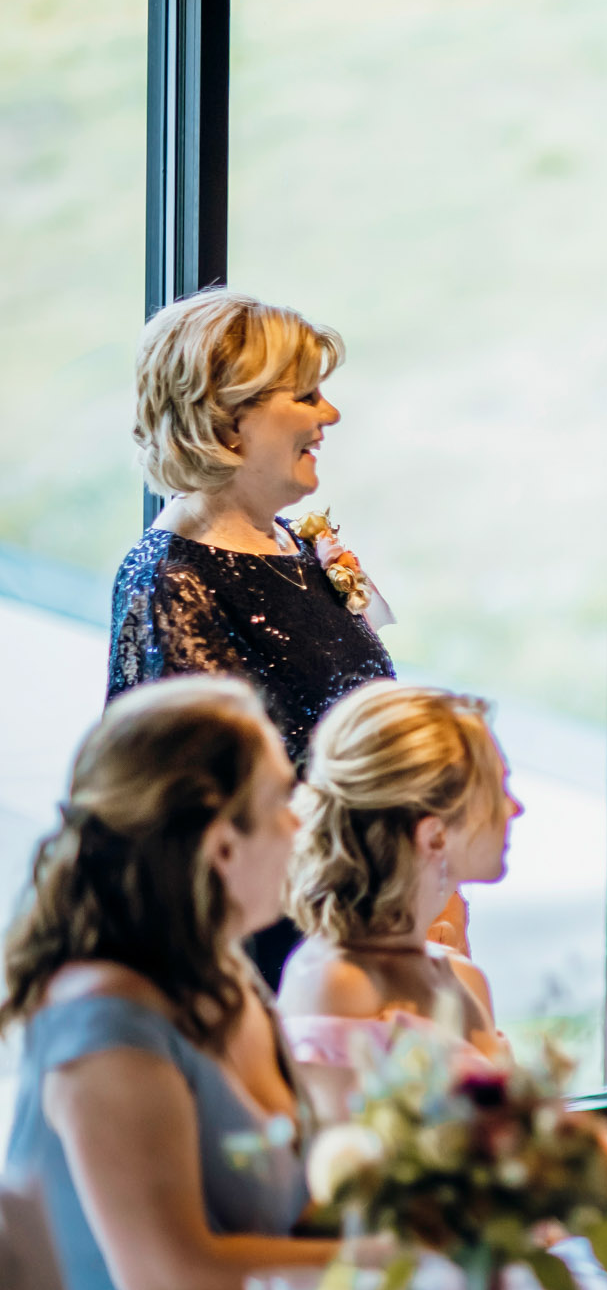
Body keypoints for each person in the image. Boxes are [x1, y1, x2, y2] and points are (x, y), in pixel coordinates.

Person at [106, 288, 467, 987]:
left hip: (363, 919)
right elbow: (212, 806)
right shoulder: (171, 578)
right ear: (226, 417)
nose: (328, 415)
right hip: (276, 953)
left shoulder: (298, 548)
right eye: (305, 396)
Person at [2, 677, 338, 1290]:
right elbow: (173, 1277)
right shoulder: (104, 1019)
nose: (298, 824)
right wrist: (404, 1259)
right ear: (222, 845)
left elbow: (279, 1223)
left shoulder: (227, 974)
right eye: (279, 802)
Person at [277, 681, 518, 1124]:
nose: (515, 808)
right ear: (435, 835)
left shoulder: (460, 975)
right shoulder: (336, 983)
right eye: (499, 791)